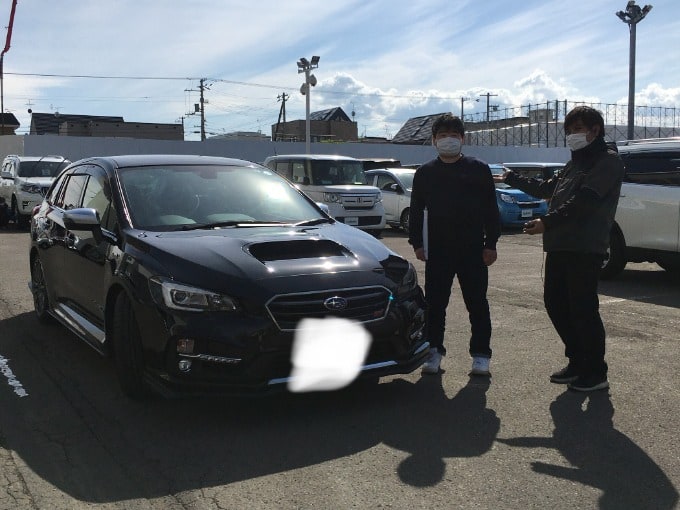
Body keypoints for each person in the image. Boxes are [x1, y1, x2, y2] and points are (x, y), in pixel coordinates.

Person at [495, 106, 624, 392]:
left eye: (578, 128)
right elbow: (546, 189)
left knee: (583, 309)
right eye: (569, 130)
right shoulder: (574, 164)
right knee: (556, 303)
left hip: (585, 247)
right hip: (560, 246)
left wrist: (546, 222)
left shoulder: (607, 162)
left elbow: (585, 203)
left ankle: (595, 371)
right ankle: (577, 361)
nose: (573, 135)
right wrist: (512, 179)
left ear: (595, 130)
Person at [409, 114, 501, 376]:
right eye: (442, 136)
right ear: (433, 140)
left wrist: (491, 243)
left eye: (453, 135)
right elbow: (416, 211)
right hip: (438, 250)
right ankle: (433, 351)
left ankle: (481, 355)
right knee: (435, 305)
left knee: (477, 304)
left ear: (462, 138)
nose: (447, 140)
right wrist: (416, 242)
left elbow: (490, 210)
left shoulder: (478, 168)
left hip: (473, 249)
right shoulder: (425, 173)